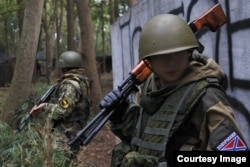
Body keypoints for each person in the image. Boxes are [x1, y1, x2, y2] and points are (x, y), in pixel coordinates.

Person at [106, 14, 249, 167]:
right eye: (163, 56)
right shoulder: (149, 86)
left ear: (189, 52)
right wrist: (121, 114)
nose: (172, 62)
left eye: (179, 53)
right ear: (149, 59)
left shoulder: (208, 98)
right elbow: (147, 136)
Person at [31, 51, 91, 166]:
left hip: (65, 134)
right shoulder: (82, 81)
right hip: (76, 129)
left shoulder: (70, 85)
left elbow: (62, 111)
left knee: (61, 162)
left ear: (64, 66)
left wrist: (45, 106)